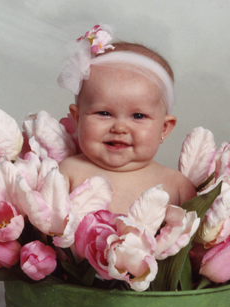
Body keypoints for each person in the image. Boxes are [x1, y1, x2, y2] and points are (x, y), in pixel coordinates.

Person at [58, 26, 196, 214]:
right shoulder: (67, 173)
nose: (120, 127)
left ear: (164, 128)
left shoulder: (178, 186)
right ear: (78, 118)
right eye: (104, 113)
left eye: (138, 116)